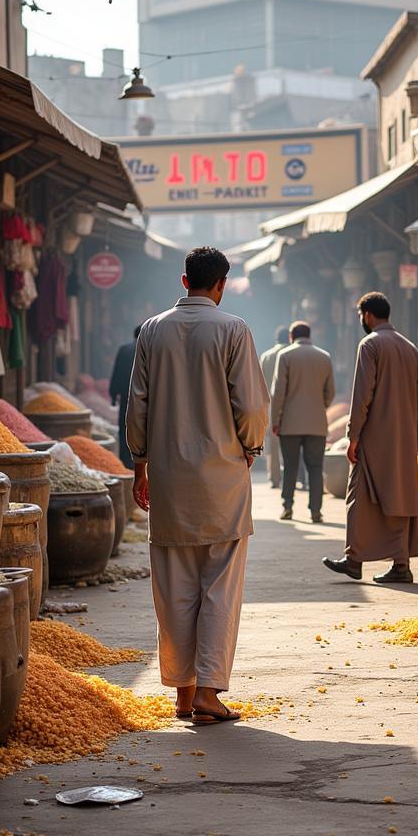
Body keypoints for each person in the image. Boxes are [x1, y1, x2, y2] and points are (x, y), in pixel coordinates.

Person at [126, 247, 269, 724]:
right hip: (222, 478)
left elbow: (137, 406)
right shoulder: (233, 329)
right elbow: (250, 407)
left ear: (184, 280)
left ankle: (184, 693)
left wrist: (139, 465)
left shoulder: (151, 330)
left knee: (174, 589)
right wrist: (250, 448)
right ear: (221, 284)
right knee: (219, 589)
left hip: (168, 479)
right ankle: (208, 692)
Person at [323, 292, 418, 584]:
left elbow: (362, 394)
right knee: (400, 498)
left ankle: (354, 560)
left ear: (367, 315)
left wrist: (352, 436)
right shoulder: (410, 348)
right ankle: (401, 565)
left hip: (375, 436)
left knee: (359, 495)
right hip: (404, 438)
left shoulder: (369, 345)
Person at [271, 321, 335, 523]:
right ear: (310, 335)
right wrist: (320, 406)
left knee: (290, 466)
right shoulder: (324, 357)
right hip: (317, 423)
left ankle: (287, 507)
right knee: (315, 467)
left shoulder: (286, 356)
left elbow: (278, 391)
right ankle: (315, 511)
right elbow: (330, 391)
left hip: (289, 422)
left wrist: (275, 419)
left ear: (291, 336)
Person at [259, 325, 288, 489]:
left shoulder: (266, 356)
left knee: (273, 444)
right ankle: (294, 477)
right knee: (292, 443)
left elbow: (261, 384)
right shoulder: (292, 353)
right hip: (290, 405)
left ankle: (275, 478)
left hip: (271, 406)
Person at [109, 326, 140, 469]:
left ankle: (126, 462)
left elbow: (117, 372)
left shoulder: (124, 349)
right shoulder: (151, 349)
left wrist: (113, 394)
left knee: (124, 428)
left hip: (126, 397)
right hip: (145, 398)